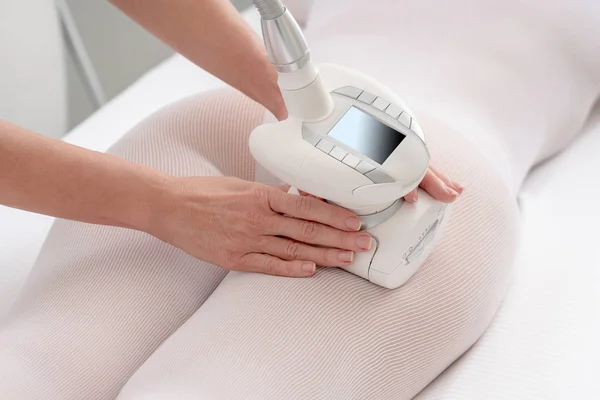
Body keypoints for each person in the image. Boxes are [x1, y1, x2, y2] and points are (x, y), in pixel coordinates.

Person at [1, 0, 598, 399]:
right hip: (392, 159)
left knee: (37, 373)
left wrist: (298, 100)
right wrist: (165, 204)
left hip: (381, 162)